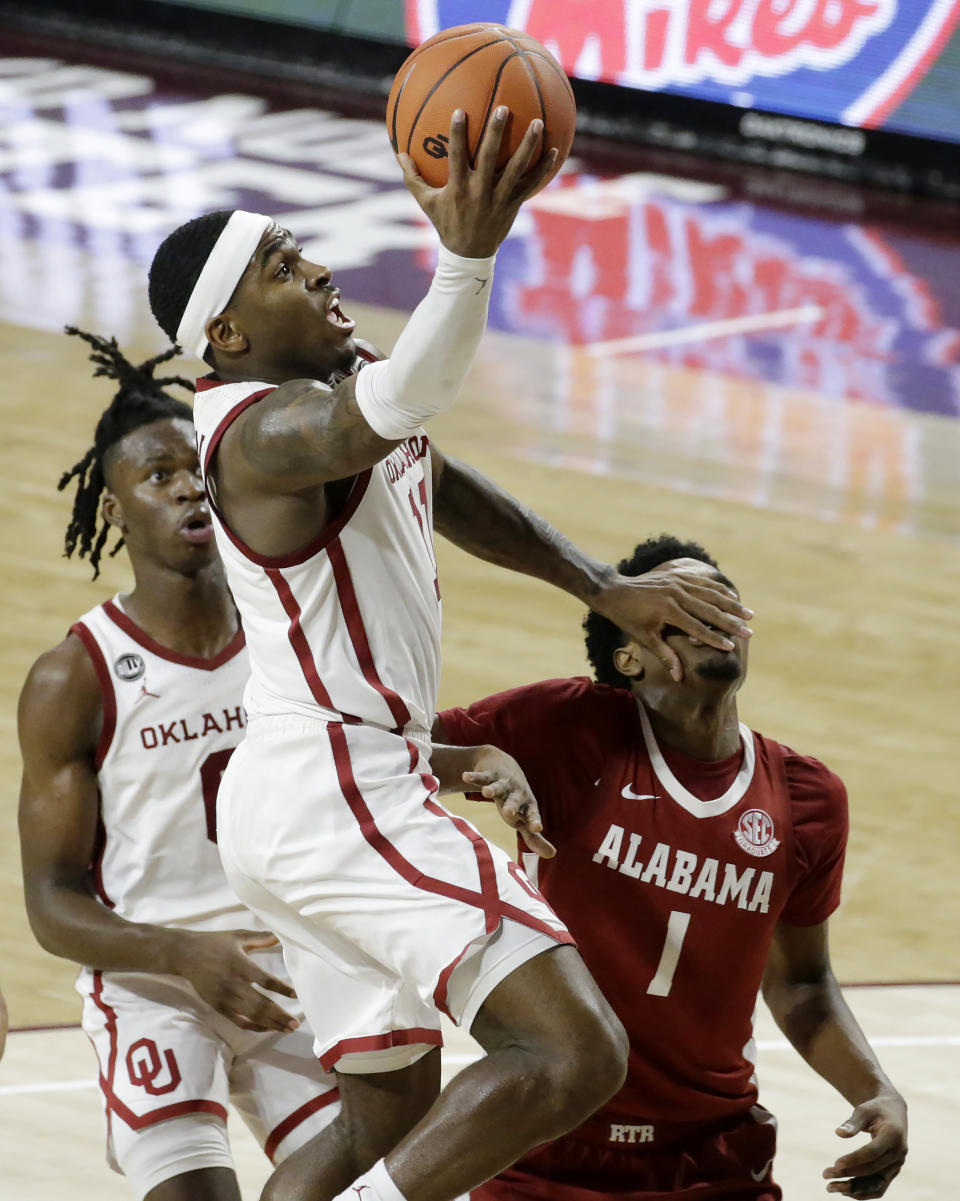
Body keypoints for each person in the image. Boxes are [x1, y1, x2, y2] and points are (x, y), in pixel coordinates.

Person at [145, 110, 754, 1201]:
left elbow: (434, 470)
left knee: (389, 1102)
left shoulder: (342, 398)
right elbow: (407, 401)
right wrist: (467, 256)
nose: (321, 264)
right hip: (340, 794)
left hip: (305, 787)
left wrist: (600, 587)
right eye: (284, 266)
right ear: (228, 335)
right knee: (573, 1052)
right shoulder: (261, 438)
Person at [435, 534, 909, 1201]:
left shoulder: (807, 798)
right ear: (628, 655)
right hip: (542, 1142)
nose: (712, 618)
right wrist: (476, 759)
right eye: (681, 609)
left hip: (713, 1155)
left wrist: (876, 1089)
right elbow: (380, 755)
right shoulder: (566, 726)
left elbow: (803, 984)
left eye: (723, 604)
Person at [18, 330, 342, 1201]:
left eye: (199, 464)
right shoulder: (74, 675)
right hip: (155, 980)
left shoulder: (287, 623)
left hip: (291, 970)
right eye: (159, 474)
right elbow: (50, 905)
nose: (190, 484)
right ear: (113, 507)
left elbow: (363, 756)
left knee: (380, 1185)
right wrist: (182, 954)